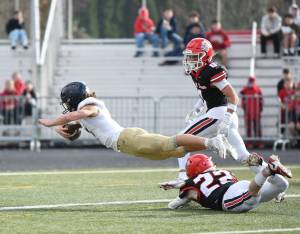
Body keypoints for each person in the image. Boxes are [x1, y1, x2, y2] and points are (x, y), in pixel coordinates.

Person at [165, 38, 267, 189]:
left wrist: (226, 119)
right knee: (242, 156)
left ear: (205, 56)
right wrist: (197, 108)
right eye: (189, 56)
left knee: (181, 139)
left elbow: (233, 97)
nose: (190, 60)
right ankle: (273, 178)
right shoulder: (198, 71)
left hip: (220, 114)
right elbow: (205, 92)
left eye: (194, 56)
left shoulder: (212, 71)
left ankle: (182, 176)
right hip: (221, 114)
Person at [38, 82, 235, 160]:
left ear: (74, 99)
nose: (66, 106)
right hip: (125, 143)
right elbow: (74, 131)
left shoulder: (89, 105)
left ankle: (211, 141)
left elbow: (76, 116)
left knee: (170, 142)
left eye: (66, 102)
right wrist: (66, 131)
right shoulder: (84, 110)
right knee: (174, 151)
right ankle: (212, 144)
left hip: (126, 138)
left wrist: (51, 122)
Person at [160, 153, 291, 212]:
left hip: (227, 197)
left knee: (252, 196)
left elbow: (174, 205)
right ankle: (264, 165)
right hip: (239, 184)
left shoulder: (191, 184)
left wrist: (181, 196)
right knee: (282, 185)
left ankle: (266, 171)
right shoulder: (223, 171)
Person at [240, 76, 263, 149]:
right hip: (248, 112)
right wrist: (244, 108)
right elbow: (242, 97)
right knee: (249, 128)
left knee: (257, 128)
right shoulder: (245, 89)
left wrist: (260, 110)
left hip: (256, 112)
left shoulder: (258, 89)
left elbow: (261, 101)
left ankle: (259, 142)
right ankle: (249, 142)